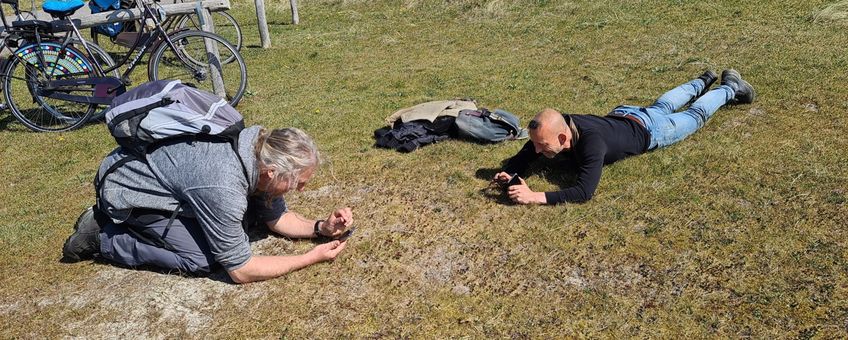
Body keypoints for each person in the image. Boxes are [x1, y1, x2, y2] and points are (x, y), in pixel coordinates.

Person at [61, 127, 353, 283]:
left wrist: (321, 228)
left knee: (245, 218)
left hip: (169, 179)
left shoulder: (257, 153)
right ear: (271, 172)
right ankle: (104, 236)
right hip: (129, 190)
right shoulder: (224, 185)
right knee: (203, 258)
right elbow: (242, 270)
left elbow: (276, 217)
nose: (301, 189)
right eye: (298, 182)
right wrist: (309, 258)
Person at [493, 69, 755, 204]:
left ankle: (730, 87)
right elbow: (529, 149)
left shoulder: (591, 145)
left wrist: (535, 196)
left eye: (543, 146)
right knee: (661, 106)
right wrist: (512, 171)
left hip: (651, 131)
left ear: (563, 138)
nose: (537, 151)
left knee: (695, 115)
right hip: (625, 114)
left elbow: (584, 192)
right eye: (536, 143)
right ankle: (702, 80)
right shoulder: (556, 126)